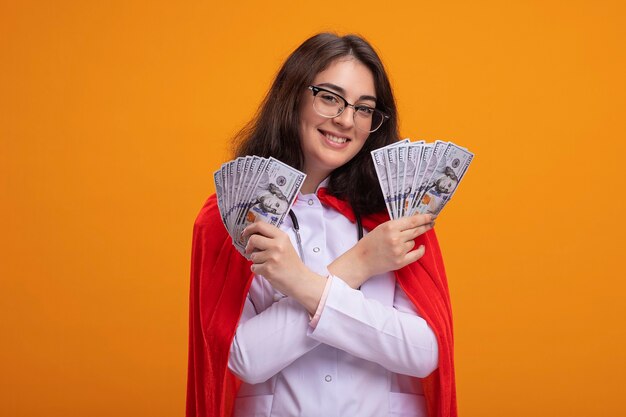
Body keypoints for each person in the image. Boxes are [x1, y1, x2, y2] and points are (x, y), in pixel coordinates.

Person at [187, 33, 457, 417]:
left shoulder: (398, 213)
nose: (346, 120)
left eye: (364, 109)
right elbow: (244, 358)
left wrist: (303, 283)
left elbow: (423, 353)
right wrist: (358, 264)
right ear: (292, 96)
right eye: (330, 97)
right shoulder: (230, 215)